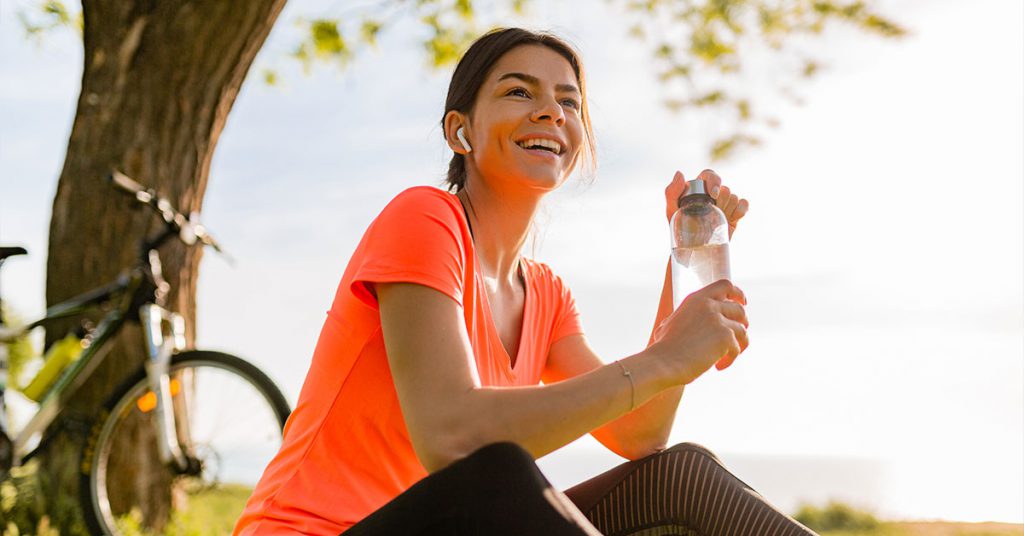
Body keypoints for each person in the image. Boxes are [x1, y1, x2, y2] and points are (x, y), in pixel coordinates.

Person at [233, 27, 816, 536]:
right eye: (519, 91)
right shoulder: (424, 218)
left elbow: (639, 434)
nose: (551, 112)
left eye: (569, 101)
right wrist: (665, 358)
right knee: (501, 473)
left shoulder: (546, 294)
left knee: (677, 475)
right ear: (460, 131)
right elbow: (451, 438)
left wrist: (688, 258)